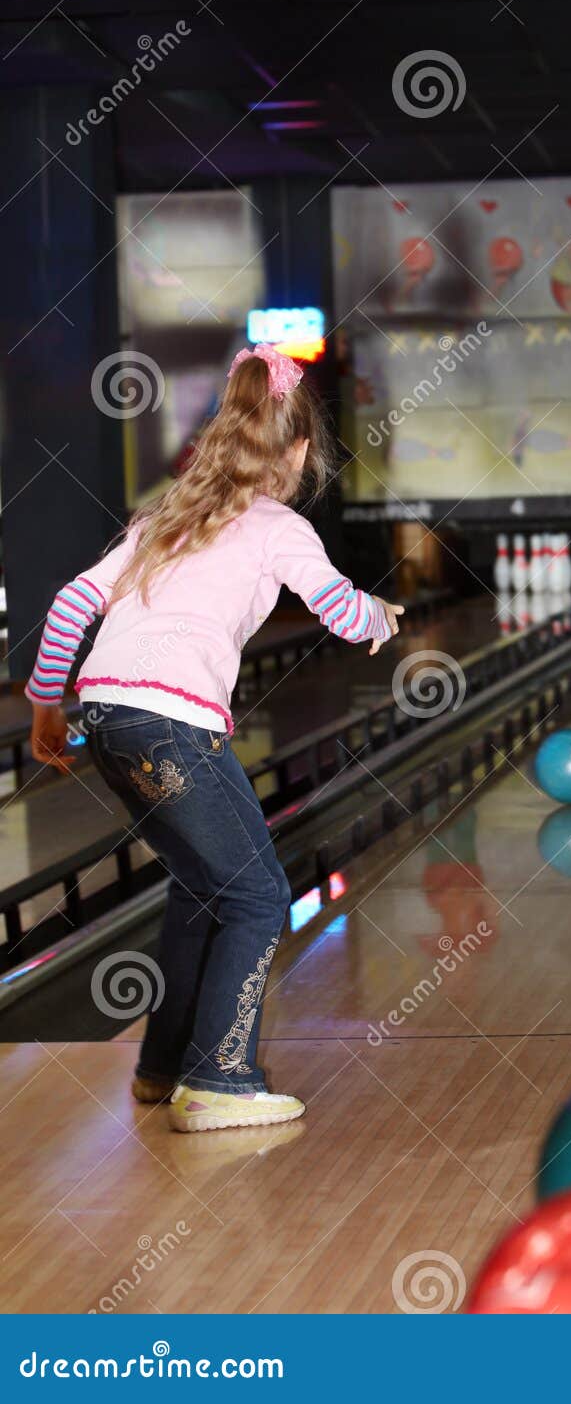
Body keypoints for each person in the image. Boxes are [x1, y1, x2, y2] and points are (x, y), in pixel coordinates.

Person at [24, 344, 403, 1133]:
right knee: (260, 897)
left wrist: (45, 709)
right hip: (173, 725)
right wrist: (381, 617)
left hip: (107, 719)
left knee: (204, 886)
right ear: (297, 451)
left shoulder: (161, 518)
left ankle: (164, 1067)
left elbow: (67, 606)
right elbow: (339, 611)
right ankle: (219, 1079)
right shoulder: (277, 525)